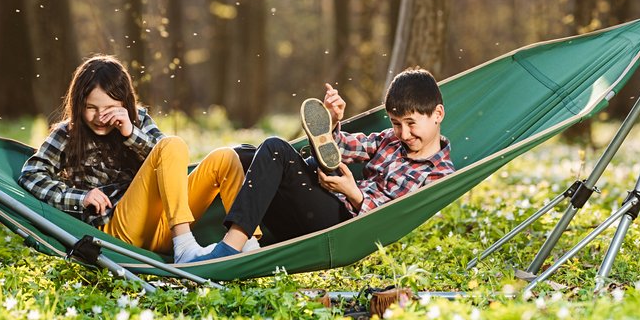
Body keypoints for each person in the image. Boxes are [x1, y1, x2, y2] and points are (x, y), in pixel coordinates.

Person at [189, 67, 455, 262]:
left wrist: (354, 192)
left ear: (437, 114)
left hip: (345, 231)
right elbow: (343, 148)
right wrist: (331, 123)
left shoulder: (441, 175)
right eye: (396, 124)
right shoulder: (389, 140)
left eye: (411, 123)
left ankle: (229, 249)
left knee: (275, 149)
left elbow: (397, 220)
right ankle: (248, 242)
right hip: (320, 208)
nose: (404, 134)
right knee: (246, 156)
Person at [18, 54, 257, 264]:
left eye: (109, 107)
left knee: (225, 158)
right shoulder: (68, 133)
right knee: (171, 143)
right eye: (91, 108)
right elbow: (31, 174)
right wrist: (82, 197)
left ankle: (249, 243)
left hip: (165, 228)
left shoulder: (138, 120)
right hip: (117, 230)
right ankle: (185, 247)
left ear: (124, 103)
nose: (100, 117)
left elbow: (168, 157)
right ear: (78, 104)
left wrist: (131, 134)